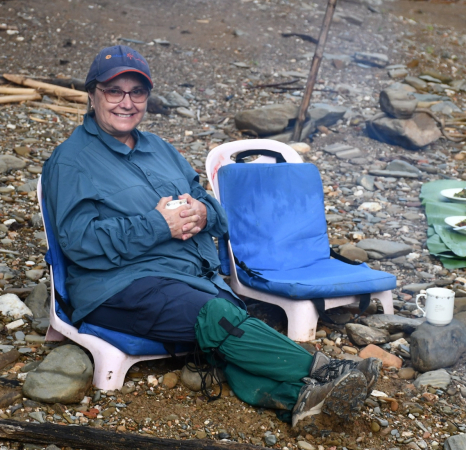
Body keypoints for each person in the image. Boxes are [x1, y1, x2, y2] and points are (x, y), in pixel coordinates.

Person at [41, 45, 382, 427]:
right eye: (114, 91)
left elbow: (217, 212)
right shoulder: (71, 161)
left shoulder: (161, 149)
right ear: (92, 94)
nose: (127, 102)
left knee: (229, 334)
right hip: (117, 287)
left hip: (186, 278)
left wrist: (203, 213)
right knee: (219, 319)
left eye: (137, 92)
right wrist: (159, 225)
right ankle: (326, 370)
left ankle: (302, 402)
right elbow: (78, 242)